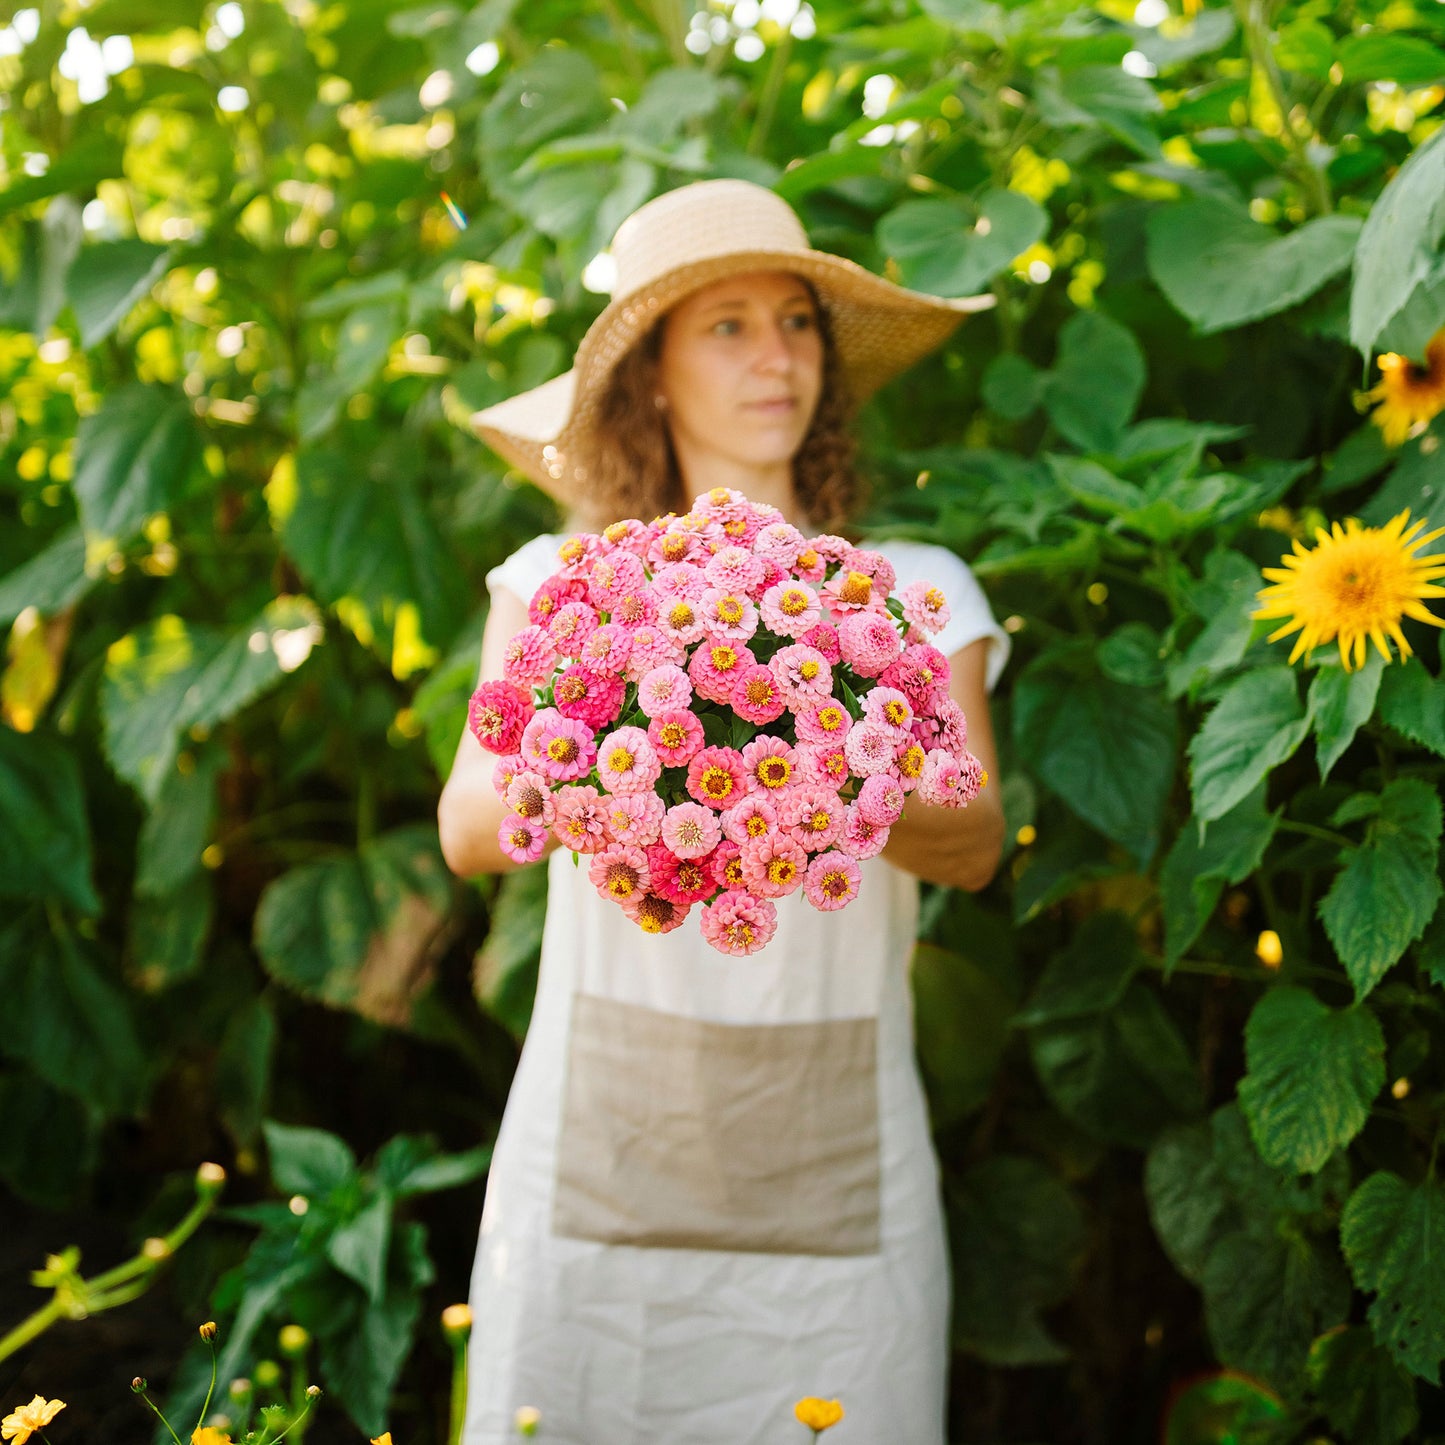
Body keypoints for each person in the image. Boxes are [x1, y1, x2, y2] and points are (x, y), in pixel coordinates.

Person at [438, 178, 1010, 1445]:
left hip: (837, 1189)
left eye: (797, 321)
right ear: (647, 376)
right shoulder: (564, 587)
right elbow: (473, 826)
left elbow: (972, 839)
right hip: (591, 1165)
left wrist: (810, 750)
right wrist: (621, 731)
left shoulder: (912, 593)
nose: (778, 357)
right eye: (728, 325)